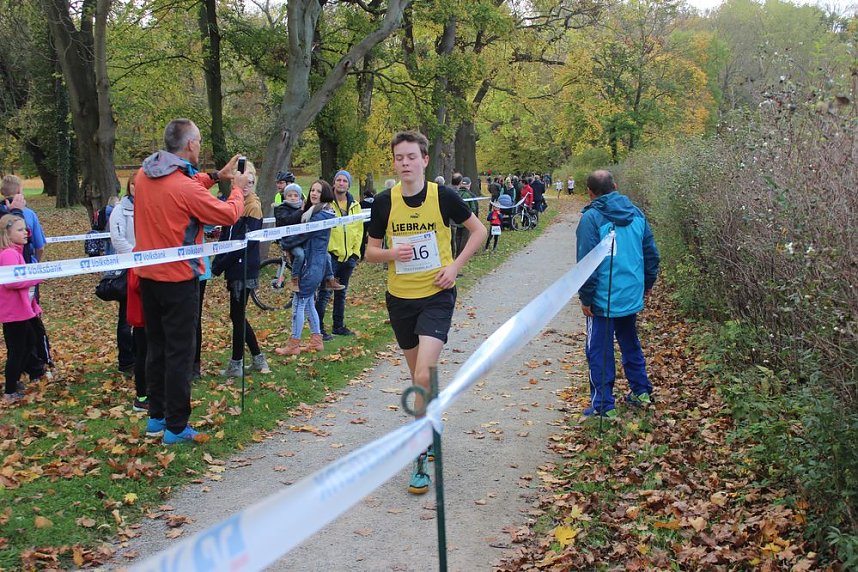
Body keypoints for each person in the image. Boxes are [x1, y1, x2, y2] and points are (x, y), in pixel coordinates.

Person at [365, 131, 486, 495]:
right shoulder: (384, 202)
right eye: (399, 158)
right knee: (419, 378)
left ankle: (418, 456)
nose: (405, 163)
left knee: (423, 373)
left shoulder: (442, 196)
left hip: (437, 295)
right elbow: (369, 252)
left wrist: (455, 268)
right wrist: (391, 255)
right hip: (400, 299)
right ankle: (429, 422)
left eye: (411, 157)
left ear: (423, 160)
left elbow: (477, 231)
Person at [134, 118, 247, 445]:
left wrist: (216, 176)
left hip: (148, 278)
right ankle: (176, 426)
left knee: (156, 348)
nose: (199, 146)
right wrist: (237, 188)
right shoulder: (183, 187)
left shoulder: (144, 175)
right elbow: (226, 215)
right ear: (190, 145)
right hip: (179, 280)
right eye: (198, 141)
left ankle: (156, 418)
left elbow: (184, 185)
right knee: (180, 353)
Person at [576, 170, 660, 419]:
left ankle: (603, 406)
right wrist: (646, 284)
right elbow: (651, 254)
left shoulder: (591, 218)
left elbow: (586, 264)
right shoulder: (637, 213)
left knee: (598, 350)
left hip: (603, 299)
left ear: (590, 193)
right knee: (630, 341)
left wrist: (586, 297)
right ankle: (641, 391)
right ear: (615, 185)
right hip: (630, 295)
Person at [212, 162, 272, 378]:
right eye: (242, 182)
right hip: (234, 266)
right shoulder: (235, 203)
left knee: (237, 315)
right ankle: (255, 359)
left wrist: (219, 265)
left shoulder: (252, 207)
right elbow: (227, 236)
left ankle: (241, 362)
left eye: (250, 183)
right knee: (237, 315)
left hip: (244, 268)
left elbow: (244, 244)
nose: (246, 186)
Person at [276, 180, 337, 356]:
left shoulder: (319, 216)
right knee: (309, 302)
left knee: (298, 303)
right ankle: (317, 341)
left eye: (318, 191)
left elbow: (301, 236)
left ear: (325, 194)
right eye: (312, 190)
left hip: (312, 266)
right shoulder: (317, 212)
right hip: (313, 264)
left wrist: (284, 242)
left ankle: (293, 344)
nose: (314, 193)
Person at [1, 176, 51, 380]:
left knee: (26, 334)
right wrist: (34, 273)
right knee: (24, 336)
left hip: (24, 281)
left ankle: (29, 369)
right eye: (21, 231)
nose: (25, 233)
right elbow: (39, 245)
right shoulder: (26, 215)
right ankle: (29, 371)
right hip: (17, 292)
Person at [0, 214, 44, 402]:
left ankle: (15, 379)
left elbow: (26, 287)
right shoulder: (9, 254)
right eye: (19, 229)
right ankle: (10, 390)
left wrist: (33, 306)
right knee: (18, 349)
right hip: (13, 312)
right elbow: (13, 282)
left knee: (28, 342)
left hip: (22, 309)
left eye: (25, 229)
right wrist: (38, 276)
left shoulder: (17, 252)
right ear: (7, 234)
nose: (26, 232)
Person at [109, 177, 144, 406]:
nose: (136, 189)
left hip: (147, 266)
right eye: (133, 185)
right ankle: (126, 360)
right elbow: (117, 238)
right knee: (126, 318)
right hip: (128, 266)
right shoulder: (120, 211)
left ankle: (139, 360)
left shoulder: (148, 207)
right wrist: (136, 254)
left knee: (141, 321)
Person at [315, 169, 362, 340]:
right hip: (331, 257)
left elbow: (359, 229)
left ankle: (338, 326)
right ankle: (318, 329)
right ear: (334, 183)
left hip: (348, 257)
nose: (341, 183)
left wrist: (355, 254)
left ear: (349, 184)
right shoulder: (326, 204)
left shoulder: (355, 205)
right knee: (325, 292)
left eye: (345, 181)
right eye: (339, 180)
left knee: (341, 293)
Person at [451, 175, 478, 259]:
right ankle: (460, 256)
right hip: (467, 221)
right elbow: (474, 208)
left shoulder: (456, 193)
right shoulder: (470, 195)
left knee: (457, 238)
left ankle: (456, 255)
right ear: (469, 185)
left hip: (457, 221)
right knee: (464, 239)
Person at [359, 188, 375, 260]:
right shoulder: (376, 201)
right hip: (374, 221)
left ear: (365, 196)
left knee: (362, 238)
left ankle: (362, 255)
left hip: (364, 222)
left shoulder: (361, 203)